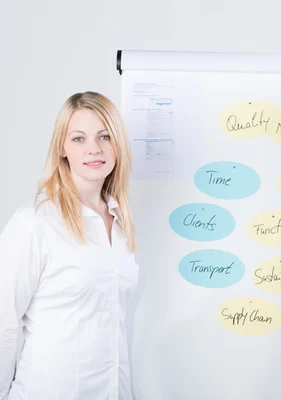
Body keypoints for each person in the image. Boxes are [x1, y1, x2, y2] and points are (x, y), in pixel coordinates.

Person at [0, 92, 139, 400]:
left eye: (104, 136)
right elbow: (3, 326)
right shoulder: (33, 224)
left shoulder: (121, 224)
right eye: (79, 139)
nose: (94, 148)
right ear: (62, 148)